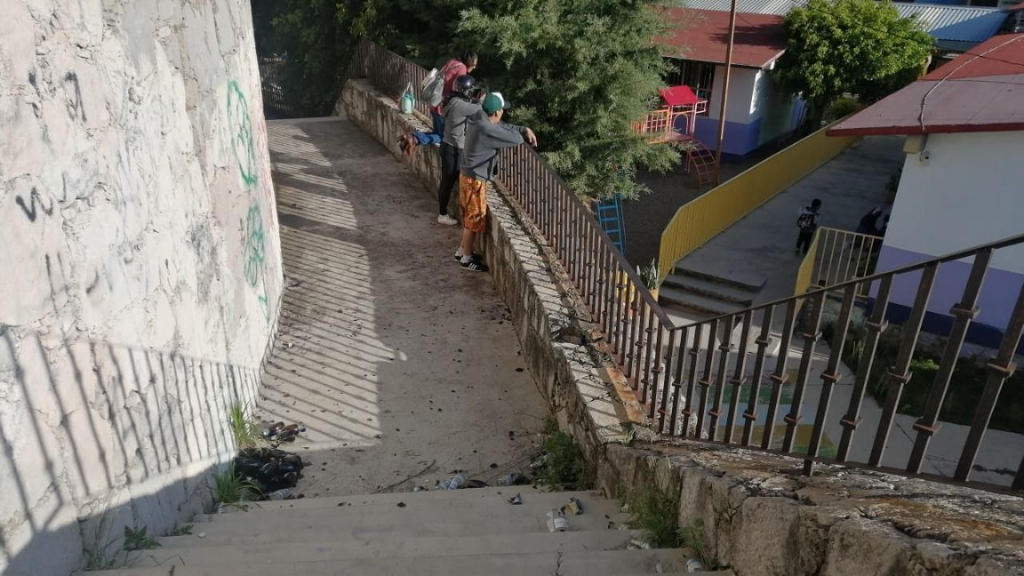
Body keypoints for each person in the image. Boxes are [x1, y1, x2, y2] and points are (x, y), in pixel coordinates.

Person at [457, 92, 537, 272]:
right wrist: (523, 132)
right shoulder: (487, 129)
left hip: (467, 174)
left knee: (469, 215)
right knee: (474, 217)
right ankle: (466, 259)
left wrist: (523, 127)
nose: (503, 113)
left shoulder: (479, 118)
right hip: (475, 179)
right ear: (496, 112)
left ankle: (462, 250)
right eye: (502, 110)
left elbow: (504, 126)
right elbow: (515, 139)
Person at [398, 51, 479, 154]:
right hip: (442, 106)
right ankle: (414, 139)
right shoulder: (462, 69)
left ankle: (411, 137)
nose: (474, 67)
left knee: (437, 133)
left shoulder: (453, 62)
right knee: (442, 136)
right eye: (474, 64)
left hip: (434, 103)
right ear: (470, 61)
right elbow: (460, 89)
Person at [436, 75, 483, 225]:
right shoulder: (460, 105)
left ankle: (443, 213)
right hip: (455, 149)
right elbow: (480, 109)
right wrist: (483, 99)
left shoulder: (452, 101)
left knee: (447, 182)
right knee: (450, 183)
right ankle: (443, 214)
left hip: (448, 146)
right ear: (466, 91)